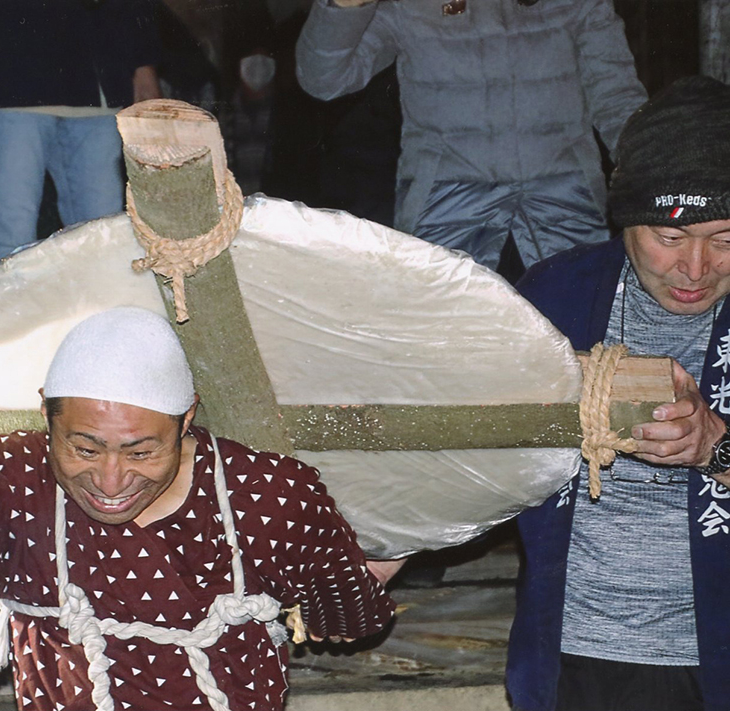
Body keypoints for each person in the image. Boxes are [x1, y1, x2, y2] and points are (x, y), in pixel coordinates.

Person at [0, 291, 395, 711]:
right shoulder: (16, 481)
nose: (110, 483)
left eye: (141, 452)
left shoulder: (265, 494)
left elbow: (350, 613)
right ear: (45, 413)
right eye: (83, 448)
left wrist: (364, 571)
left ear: (187, 418)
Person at [507, 76, 730, 711]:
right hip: (574, 653)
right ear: (625, 218)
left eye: (725, 240)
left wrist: (716, 447)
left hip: (711, 658)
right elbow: (479, 449)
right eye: (669, 238)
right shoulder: (556, 296)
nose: (695, 268)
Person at [295, 0, 647, 273]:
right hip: (446, 211)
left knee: (576, 333)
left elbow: (618, 99)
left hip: (563, 208)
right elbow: (324, 79)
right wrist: (347, 5)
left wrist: (654, 173)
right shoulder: (410, 6)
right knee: (446, 335)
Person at [0, 0, 163, 274]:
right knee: (9, 238)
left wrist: (143, 61)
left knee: (104, 239)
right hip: (9, 71)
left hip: (97, 76)